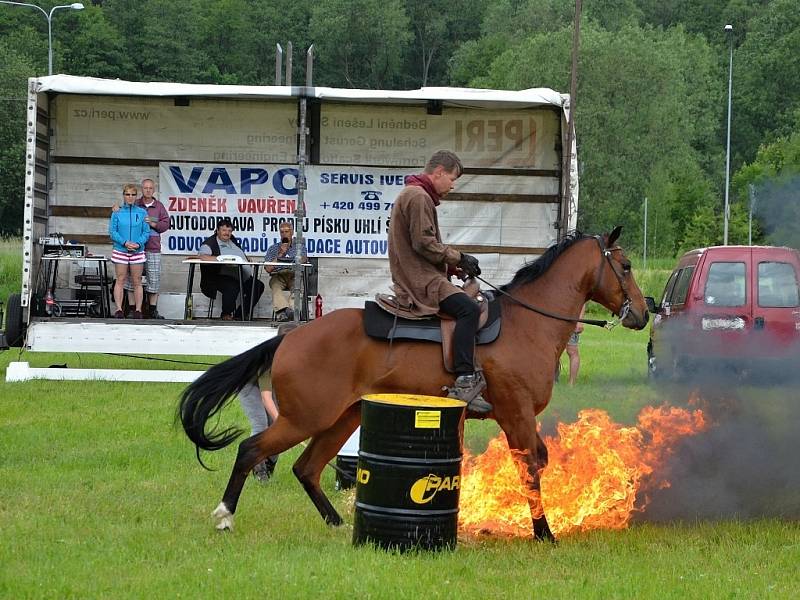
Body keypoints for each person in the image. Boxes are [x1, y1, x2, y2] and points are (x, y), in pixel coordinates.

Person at [387, 150, 491, 413]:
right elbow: (423, 243)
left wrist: (452, 267)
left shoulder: (415, 195)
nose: (453, 185)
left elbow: (423, 246)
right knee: (469, 309)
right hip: (421, 281)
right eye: (452, 179)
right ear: (439, 173)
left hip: (425, 274)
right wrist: (460, 257)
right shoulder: (418, 196)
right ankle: (465, 379)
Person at [113, 178, 170, 318]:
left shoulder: (159, 206)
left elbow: (166, 224)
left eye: (150, 188)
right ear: (142, 189)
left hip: (152, 246)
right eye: (145, 188)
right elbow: (123, 213)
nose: (148, 190)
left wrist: (152, 222)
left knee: (154, 279)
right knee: (132, 280)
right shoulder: (135, 203)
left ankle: (152, 310)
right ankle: (132, 309)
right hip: (133, 248)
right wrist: (115, 209)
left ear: (154, 190)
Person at [194, 218, 265, 320]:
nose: (227, 233)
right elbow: (202, 257)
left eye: (229, 231)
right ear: (217, 230)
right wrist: (222, 259)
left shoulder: (232, 240)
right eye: (224, 230)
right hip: (219, 277)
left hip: (242, 277)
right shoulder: (209, 243)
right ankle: (226, 314)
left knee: (258, 286)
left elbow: (237, 253)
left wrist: (245, 258)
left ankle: (240, 315)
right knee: (232, 285)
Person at [108, 184, 150, 319]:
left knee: (137, 280)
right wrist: (125, 243)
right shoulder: (117, 212)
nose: (130, 197)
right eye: (127, 194)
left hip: (137, 250)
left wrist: (138, 244)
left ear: (136, 196)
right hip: (121, 249)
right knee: (120, 279)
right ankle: (119, 310)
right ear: (123, 196)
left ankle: (138, 310)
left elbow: (146, 231)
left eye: (133, 194)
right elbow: (112, 232)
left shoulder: (142, 212)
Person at [263, 220, 307, 322]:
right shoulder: (273, 248)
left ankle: (291, 311)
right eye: (282, 232)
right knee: (275, 285)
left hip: (293, 273)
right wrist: (280, 253)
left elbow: (304, 260)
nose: (284, 234)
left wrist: (298, 258)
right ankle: (284, 311)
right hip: (279, 274)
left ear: (292, 232)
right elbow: (268, 268)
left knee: (298, 287)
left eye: (286, 231)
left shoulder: (299, 247)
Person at [564, 304, 586, 386]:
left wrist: (580, 321)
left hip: (571, 320)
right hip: (554, 318)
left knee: (572, 351)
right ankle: (552, 380)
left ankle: (571, 383)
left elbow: (583, 301)